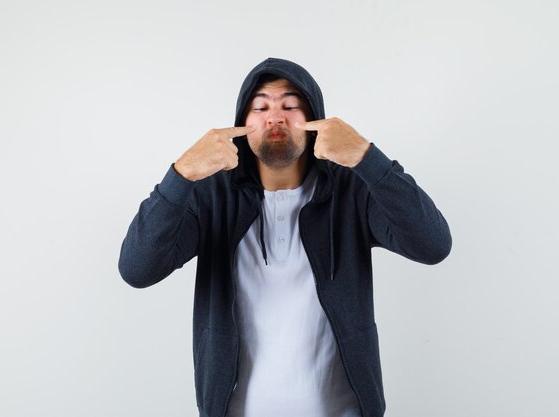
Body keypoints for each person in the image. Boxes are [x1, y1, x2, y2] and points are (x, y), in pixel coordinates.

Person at [118, 57, 452, 417]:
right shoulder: (211, 196)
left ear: (316, 122)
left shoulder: (351, 191)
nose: (275, 116)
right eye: (260, 106)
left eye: (291, 106)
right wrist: (181, 174)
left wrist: (365, 158)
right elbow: (137, 269)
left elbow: (432, 245)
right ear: (241, 125)